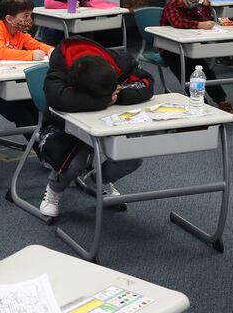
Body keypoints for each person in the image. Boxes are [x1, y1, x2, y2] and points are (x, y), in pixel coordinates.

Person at [38, 36, 153, 216]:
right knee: (74, 163)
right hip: (64, 129)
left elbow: (146, 84)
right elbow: (60, 98)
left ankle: (97, 181)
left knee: (131, 157)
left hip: (110, 123)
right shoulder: (62, 66)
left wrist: (119, 96)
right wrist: (106, 100)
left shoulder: (119, 61)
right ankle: (53, 191)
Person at [159, 0, 233, 116]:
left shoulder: (192, 8)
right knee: (188, 77)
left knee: (207, 73)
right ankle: (202, 106)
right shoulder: (172, 5)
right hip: (171, 52)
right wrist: (199, 24)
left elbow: (205, 19)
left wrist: (205, 0)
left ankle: (222, 101)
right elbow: (178, 23)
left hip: (190, 50)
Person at [0, 0, 54, 130]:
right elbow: (0, 51)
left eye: (30, 15)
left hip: (11, 83)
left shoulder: (19, 32)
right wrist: (31, 55)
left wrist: (51, 50)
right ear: (9, 19)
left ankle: (48, 142)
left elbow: (34, 44)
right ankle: (42, 148)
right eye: (25, 16)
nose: (29, 19)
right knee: (24, 117)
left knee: (41, 109)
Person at [38, 0, 120, 45]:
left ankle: (86, 49)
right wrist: (68, 5)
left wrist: (83, 2)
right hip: (54, 26)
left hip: (72, 23)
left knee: (86, 28)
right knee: (66, 33)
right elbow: (48, 3)